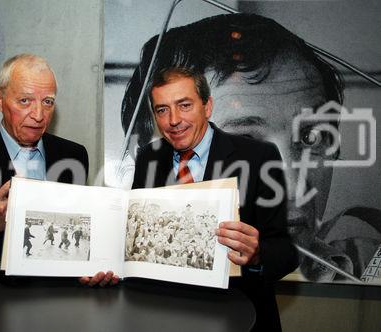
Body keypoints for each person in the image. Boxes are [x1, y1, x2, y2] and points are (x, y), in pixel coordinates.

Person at [122, 13, 381, 282]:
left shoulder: (365, 267)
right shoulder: (117, 262)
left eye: (311, 137)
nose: (294, 187)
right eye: (244, 143)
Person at [0, 54, 118, 293]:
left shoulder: (73, 155)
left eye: (48, 102)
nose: (39, 115)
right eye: (25, 101)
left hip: (64, 302)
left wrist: (90, 268)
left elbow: (72, 242)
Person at [132, 66, 298, 330]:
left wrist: (257, 254)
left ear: (207, 106)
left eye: (184, 105)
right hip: (165, 314)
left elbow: (286, 251)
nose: (173, 120)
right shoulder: (148, 158)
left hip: (238, 314)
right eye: (162, 110)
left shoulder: (258, 157)